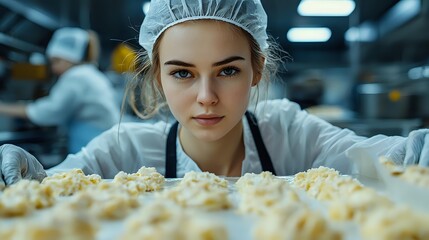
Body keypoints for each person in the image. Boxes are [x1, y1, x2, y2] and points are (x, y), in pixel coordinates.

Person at [0, 0, 428, 186]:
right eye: (183, 74)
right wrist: (22, 176)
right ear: (156, 79)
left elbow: (377, 155)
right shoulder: (124, 150)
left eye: (227, 70)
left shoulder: (289, 131)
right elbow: (50, 184)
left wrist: (415, 151)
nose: (207, 96)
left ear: (257, 71)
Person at [0, 27, 120, 154]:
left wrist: (3, 108)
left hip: (93, 142)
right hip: (99, 140)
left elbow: (51, 110)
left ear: (70, 58)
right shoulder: (88, 73)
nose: (53, 68)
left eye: (55, 62)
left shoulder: (77, 76)